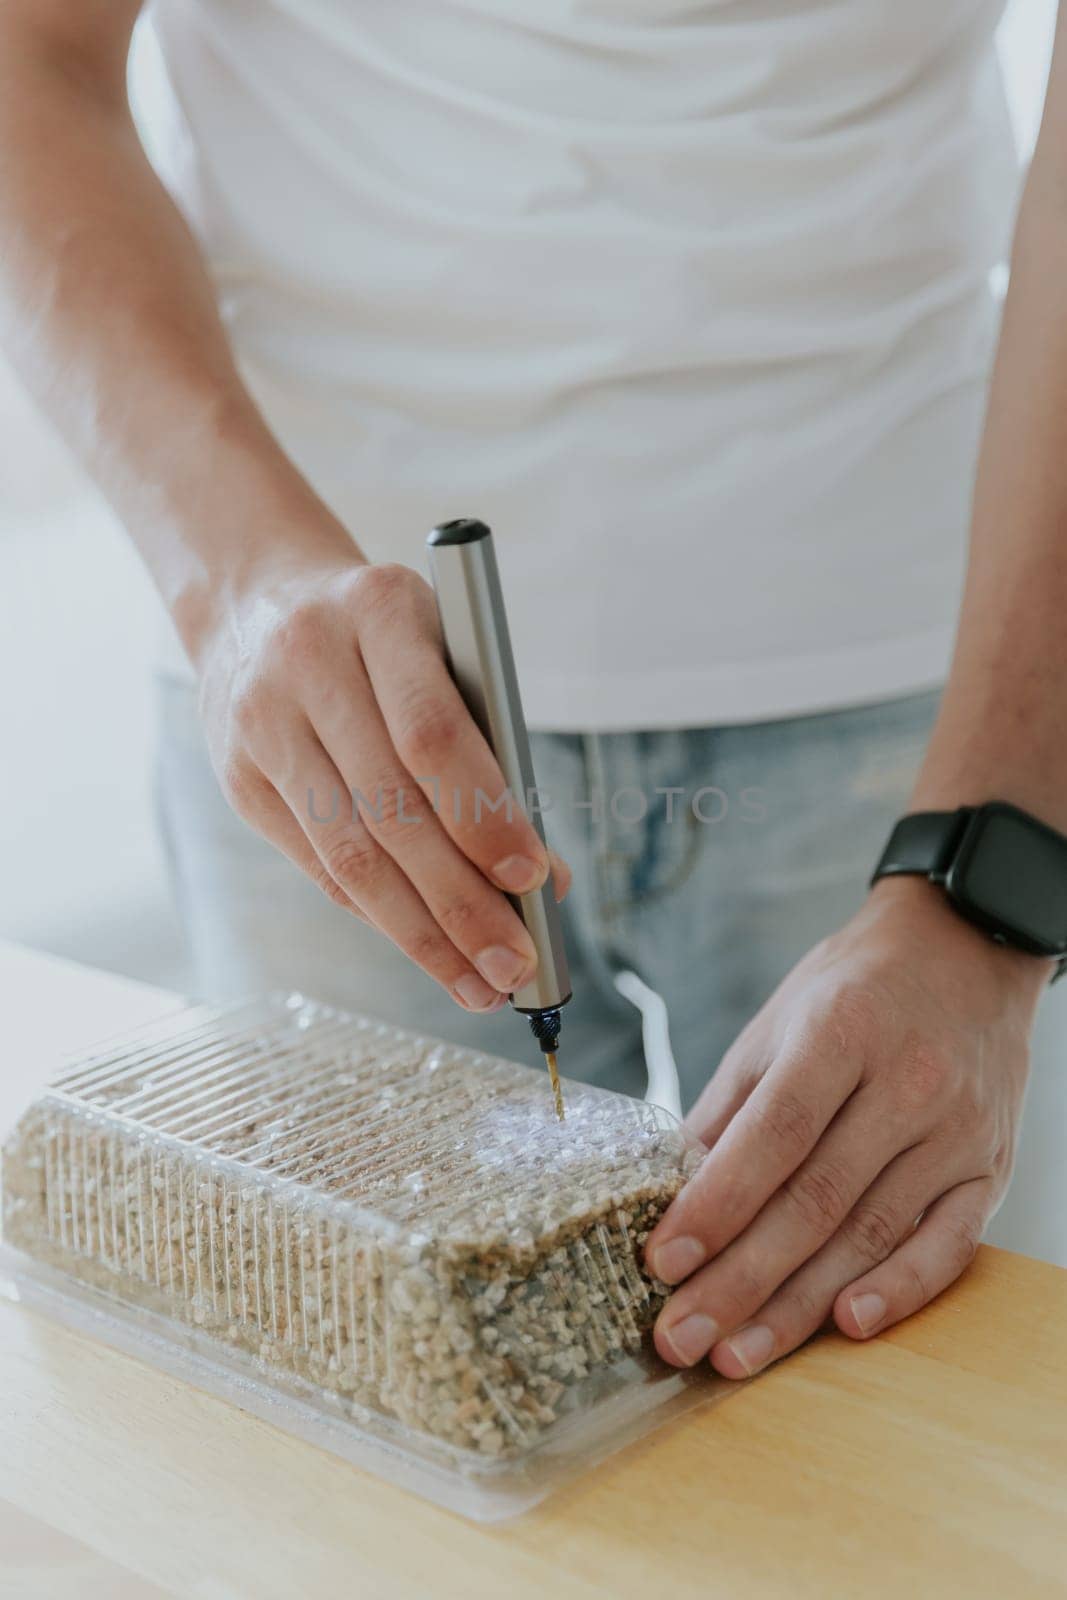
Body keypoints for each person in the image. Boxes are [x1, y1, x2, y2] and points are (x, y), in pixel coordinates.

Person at [2, 0, 1065, 1386]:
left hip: (936, 694)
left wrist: (995, 878)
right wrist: (235, 581)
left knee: (925, 1453)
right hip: (329, 707)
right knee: (376, 1458)